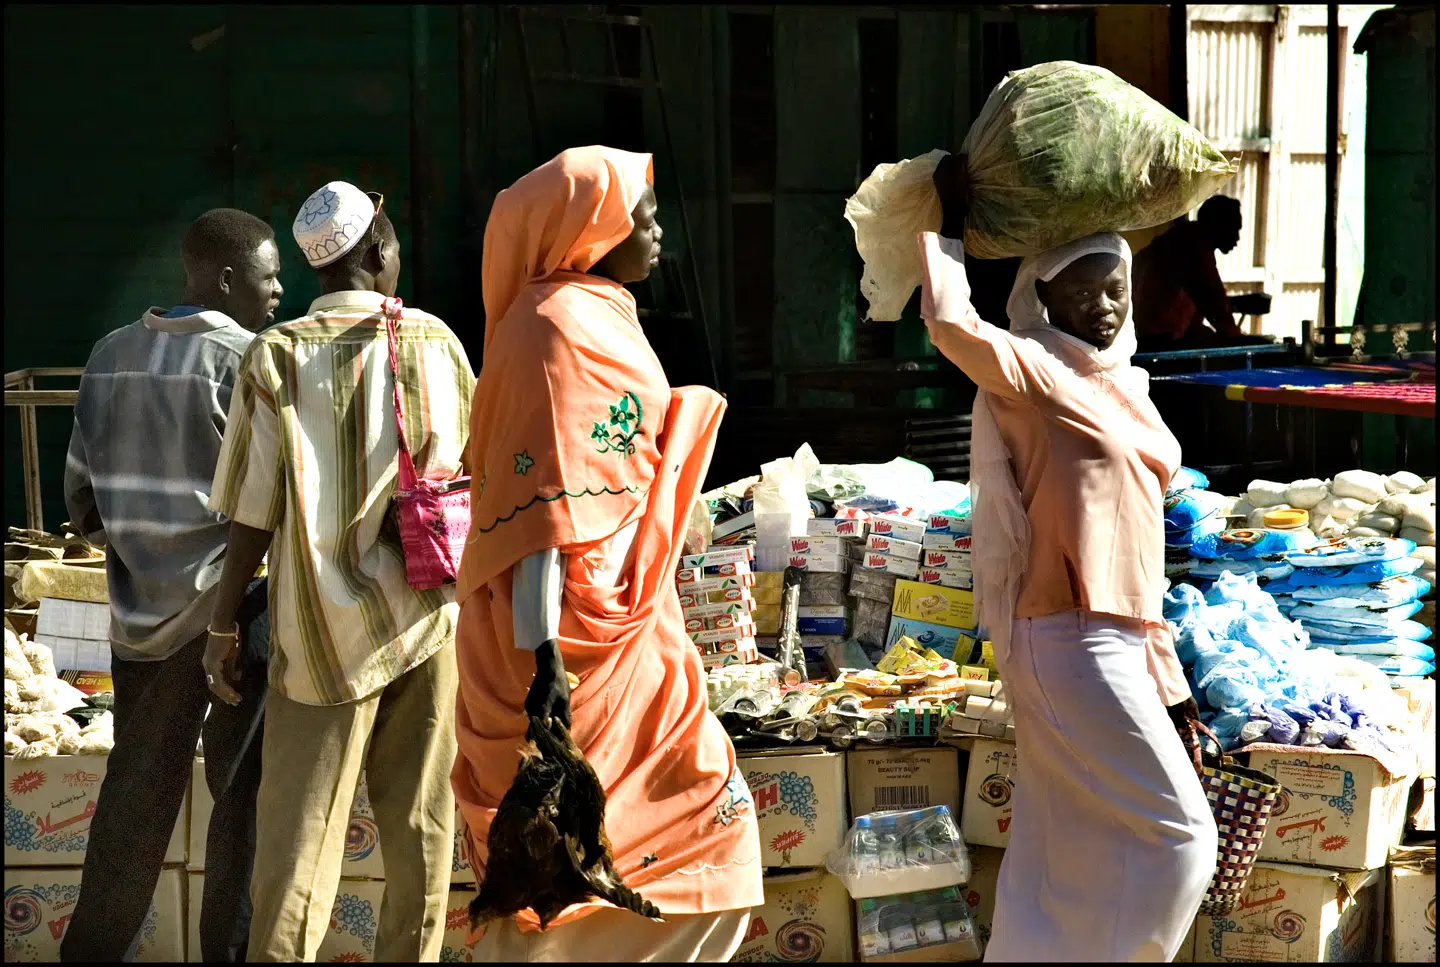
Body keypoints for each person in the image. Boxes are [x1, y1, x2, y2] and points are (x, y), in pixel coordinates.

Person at [451, 146, 763, 962]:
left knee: (689, 819)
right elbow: (541, 510)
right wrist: (546, 656)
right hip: (569, 638)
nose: (658, 233)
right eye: (643, 215)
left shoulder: (598, 311)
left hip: (630, 618)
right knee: (586, 839)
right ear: (591, 228)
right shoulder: (549, 329)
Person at [920, 166, 1218, 962]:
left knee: (1062, 845)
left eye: (1115, 284)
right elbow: (950, 322)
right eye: (1081, 290)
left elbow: (1144, 573)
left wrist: (1176, 692)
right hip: (1067, 639)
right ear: (1042, 300)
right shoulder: (1036, 374)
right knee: (1181, 836)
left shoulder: (1130, 388)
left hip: (1118, 640)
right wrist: (945, 226)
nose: (1104, 305)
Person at [203, 181, 475, 962]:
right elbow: (475, 483)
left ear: (317, 266)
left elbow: (251, 512)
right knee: (421, 835)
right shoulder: (435, 344)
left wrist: (222, 626)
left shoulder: (276, 355)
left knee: (296, 854)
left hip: (316, 640)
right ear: (381, 253)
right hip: (425, 624)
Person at [60, 208, 281, 964]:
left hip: (139, 624)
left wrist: (142, 553)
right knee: (239, 801)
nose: (279, 290)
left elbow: (83, 504)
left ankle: (91, 951)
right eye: (269, 274)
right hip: (234, 614)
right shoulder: (251, 360)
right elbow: (271, 503)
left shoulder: (107, 354)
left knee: (133, 803)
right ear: (226, 279)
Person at [1132, 195, 1273, 351]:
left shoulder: (1179, 238)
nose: (1237, 237)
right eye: (1235, 228)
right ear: (1220, 225)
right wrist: (1238, 338)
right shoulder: (1193, 246)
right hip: (1157, 342)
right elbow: (1213, 301)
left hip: (1148, 334)